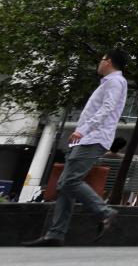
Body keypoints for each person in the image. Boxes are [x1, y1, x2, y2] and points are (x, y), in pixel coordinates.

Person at [24, 51, 128, 247]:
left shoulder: (115, 82)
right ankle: (56, 234)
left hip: (92, 139)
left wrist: (83, 130)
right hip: (86, 139)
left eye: (102, 59)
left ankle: (105, 212)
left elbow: (107, 109)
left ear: (109, 62)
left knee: (69, 182)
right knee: (65, 185)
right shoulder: (108, 83)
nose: (99, 63)